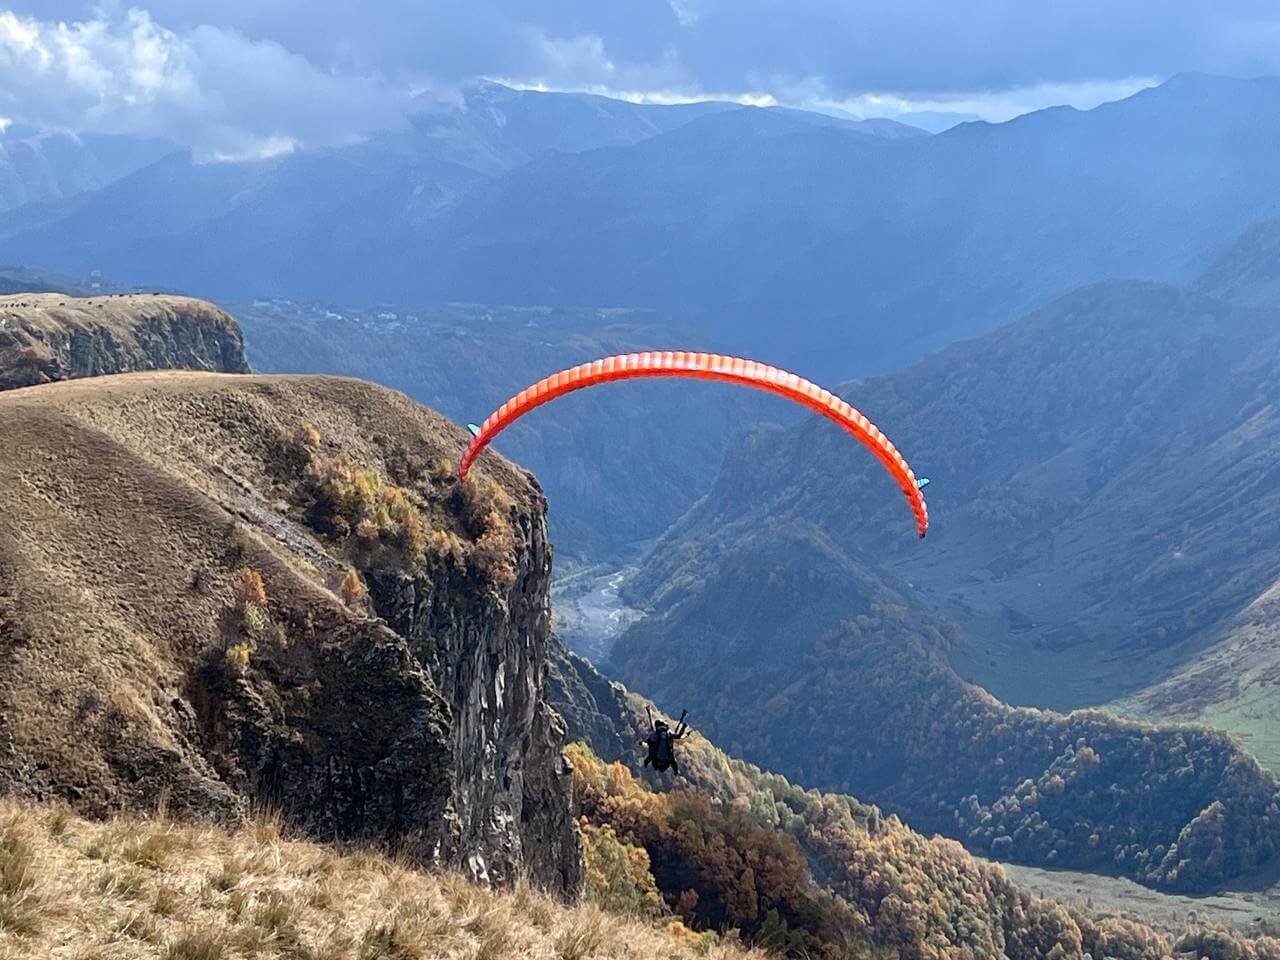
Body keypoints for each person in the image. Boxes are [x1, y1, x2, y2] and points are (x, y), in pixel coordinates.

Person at [641, 707, 689, 775]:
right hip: (667, 761)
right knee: (673, 758)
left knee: (651, 749)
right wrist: (683, 727)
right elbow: (679, 736)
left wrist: (642, 743)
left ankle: (646, 763)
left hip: (656, 762)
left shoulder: (654, 734)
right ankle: (676, 771)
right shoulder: (669, 733)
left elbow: (647, 740)